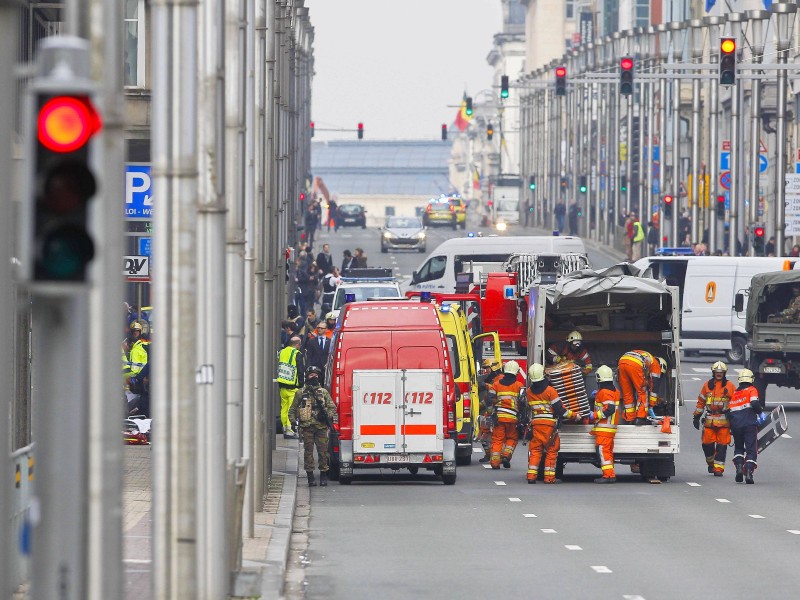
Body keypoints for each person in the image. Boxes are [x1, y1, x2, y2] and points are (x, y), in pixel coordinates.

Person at [524, 363, 575, 484]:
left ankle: (531, 476)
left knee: (536, 450)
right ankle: (549, 478)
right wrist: (574, 415)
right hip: (549, 426)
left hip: (536, 424)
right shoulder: (550, 391)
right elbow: (560, 410)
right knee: (552, 450)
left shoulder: (529, 392)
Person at [288, 365, 336, 486]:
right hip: (306, 427)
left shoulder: (323, 392)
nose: (313, 376)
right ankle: (310, 476)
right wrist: (293, 422)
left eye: (316, 374)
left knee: (323, 452)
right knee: (308, 452)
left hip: (321, 427)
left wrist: (325, 416)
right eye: (311, 374)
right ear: (307, 376)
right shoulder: (300, 393)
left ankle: (323, 475)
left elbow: (332, 407)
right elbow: (292, 409)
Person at [693, 361, 734, 477]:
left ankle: (718, 469)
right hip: (709, 421)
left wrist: (733, 416)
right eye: (717, 372)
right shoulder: (707, 385)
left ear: (724, 373)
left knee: (722, 446)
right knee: (707, 444)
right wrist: (696, 416)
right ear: (713, 372)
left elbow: (735, 402)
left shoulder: (730, 386)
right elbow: (701, 402)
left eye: (721, 372)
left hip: (724, 421)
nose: (719, 374)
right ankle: (711, 463)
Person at [487, 360, 526, 469]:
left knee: (497, 439)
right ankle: (506, 456)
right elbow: (523, 403)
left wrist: (491, 414)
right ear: (517, 372)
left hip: (499, 417)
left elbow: (489, 400)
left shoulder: (496, 384)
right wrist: (522, 417)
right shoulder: (519, 385)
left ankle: (495, 463)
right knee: (512, 438)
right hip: (513, 418)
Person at [728, 369, 762, 484]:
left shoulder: (735, 394)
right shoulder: (752, 390)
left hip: (736, 426)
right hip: (749, 424)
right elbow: (754, 403)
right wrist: (760, 412)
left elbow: (729, 412)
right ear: (751, 379)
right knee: (751, 449)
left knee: (738, 448)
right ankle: (748, 472)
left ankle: (738, 467)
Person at [587, 365, 620, 483]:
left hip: (604, 429)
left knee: (603, 451)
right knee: (608, 452)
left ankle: (608, 476)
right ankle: (610, 474)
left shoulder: (605, 392)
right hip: (610, 429)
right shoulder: (614, 391)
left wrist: (594, 415)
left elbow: (609, 409)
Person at [617, 350, 665, 425]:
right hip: (635, 364)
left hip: (622, 362)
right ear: (661, 366)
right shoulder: (656, 365)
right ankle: (640, 418)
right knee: (642, 392)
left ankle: (630, 418)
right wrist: (651, 405)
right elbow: (654, 387)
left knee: (627, 393)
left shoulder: (648, 359)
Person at [476, 358, 503, 463]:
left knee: (496, 436)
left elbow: (494, 396)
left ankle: (499, 457)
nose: (486, 371)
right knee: (483, 434)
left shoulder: (499, 380)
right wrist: (478, 406)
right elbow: (488, 398)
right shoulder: (491, 380)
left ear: (493, 367)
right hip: (490, 411)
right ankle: (489, 455)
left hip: (498, 411)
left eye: (487, 368)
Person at [277, 336, 304, 439]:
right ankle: (289, 431)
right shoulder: (297, 354)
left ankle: (285, 427)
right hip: (293, 386)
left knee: (284, 408)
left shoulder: (282, 352)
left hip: (282, 385)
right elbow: (300, 370)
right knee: (291, 409)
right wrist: (301, 385)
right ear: (297, 344)